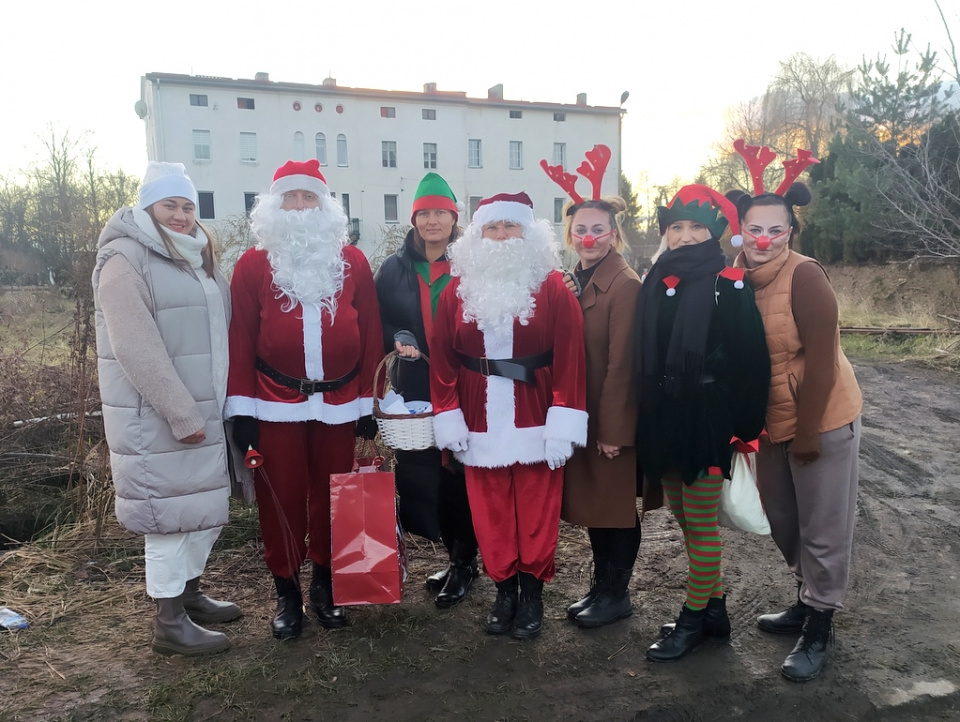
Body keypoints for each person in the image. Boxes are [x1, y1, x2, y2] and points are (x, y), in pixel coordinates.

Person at [226, 159, 383, 640]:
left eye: (308, 197)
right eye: (289, 198)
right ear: (273, 207)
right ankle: (287, 590)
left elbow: (372, 333)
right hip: (276, 402)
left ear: (325, 205)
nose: (298, 207)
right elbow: (241, 339)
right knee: (283, 498)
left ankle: (326, 584)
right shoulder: (253, 265)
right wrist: (243, 410)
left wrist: (367, 406)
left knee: (335, 495)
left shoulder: (352, 261)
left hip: (339, 402)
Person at [93, 161, 240, 656]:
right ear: (146, 208)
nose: (180, 215)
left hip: (206, 406)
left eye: (187, 206)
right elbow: (135, 347)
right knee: (166, 518)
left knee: (200, 508)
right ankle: (169, 620)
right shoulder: (125, 259)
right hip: (158, 416)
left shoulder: (195, 257)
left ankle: (190, 594)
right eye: (169, 205)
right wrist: (180, 411)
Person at [729, 141, 863, 682]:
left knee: (824, 526)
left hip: (821, 420)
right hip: (772, 422)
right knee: (785, 520)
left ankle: (820, 623)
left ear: (790, 232)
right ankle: (806, 599)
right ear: (739, 229)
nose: (763, 240)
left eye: (775, 230)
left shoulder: (806, 277)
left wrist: (808, 431)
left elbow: (825, 362)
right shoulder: (732, 276)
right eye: (753, 229)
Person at [430, 192, 587, 640]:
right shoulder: (456, 291)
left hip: (537, 416)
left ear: (528, 233)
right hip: (478, 419)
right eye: (491, 229)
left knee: (537, 509)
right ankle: (504, 589)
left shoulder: (554, 286)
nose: (500, 237)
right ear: (476, 237)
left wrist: (563, 420)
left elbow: (572, 358)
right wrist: (449, 415)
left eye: (510, 227)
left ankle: (532, 592)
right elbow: (442, 360)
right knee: (490, 511)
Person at [636, 185, 771, 662]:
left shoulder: (727, 282)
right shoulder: (655, 278)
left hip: (708, 418)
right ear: (666, 233)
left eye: (696, 227)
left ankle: (692, 620)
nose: (686, 235)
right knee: (683, 517)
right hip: (666, 413)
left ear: (713, 232)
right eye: (676, 227)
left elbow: (752, 360)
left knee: (700, 521)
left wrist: (743, 430)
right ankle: (715, 612)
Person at [373, 173, 480, 608]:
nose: (432, 220)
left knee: (461, 475)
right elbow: (375, 322)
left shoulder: (472, 264)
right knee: (425, 476)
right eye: (424, 213)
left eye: (441, 212)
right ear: (413, 218)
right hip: (415, 388)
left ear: (455, 219)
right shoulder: (393, 269)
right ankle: (452, 554)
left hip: (466, 385)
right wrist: (396, 335)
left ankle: (465, 562)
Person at [556, 189, 644, 628]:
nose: (589, 238)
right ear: (570, 234)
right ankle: (601, 586)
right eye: (580, 230)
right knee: (597, 505)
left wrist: (614, 430)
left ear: (613, 234)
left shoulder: (624, 284)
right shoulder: (579, 277)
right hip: (584, 412)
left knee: (616, 509)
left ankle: (617, 594)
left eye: (597, 230)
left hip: (610, 417)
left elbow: (622, 364)